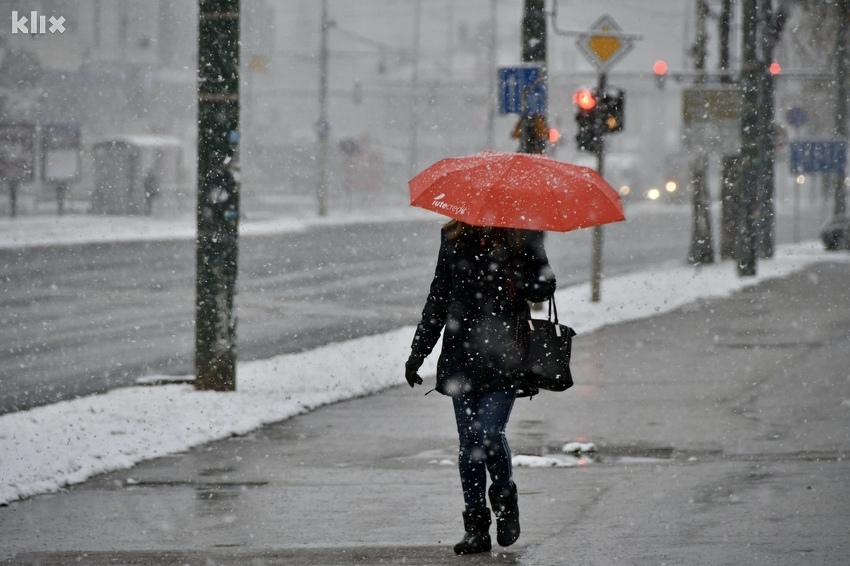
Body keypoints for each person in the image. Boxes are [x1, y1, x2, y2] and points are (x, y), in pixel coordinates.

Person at [405, 219, 556, 555]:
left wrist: (519, 275)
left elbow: (544, 287)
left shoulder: (524, 235)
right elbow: (439, 295)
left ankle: (505, 502)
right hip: (462, 355)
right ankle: (476, 529)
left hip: (506, 354)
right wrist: (418, 352)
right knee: (469, 442)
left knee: (487, 433)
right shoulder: (453, 236)